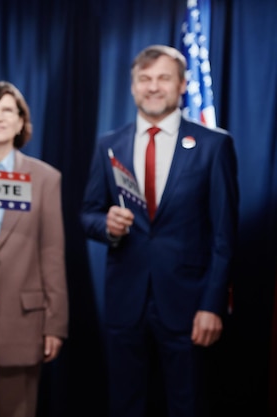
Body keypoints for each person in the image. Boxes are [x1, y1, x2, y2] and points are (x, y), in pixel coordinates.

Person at [81, 45, 238, 417]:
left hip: (189, 304)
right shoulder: (109, 144)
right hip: (125, 301)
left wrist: (211, 306)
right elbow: (88, 213)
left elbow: (224, 235)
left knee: (188, 404)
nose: (153, 87)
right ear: (133, 87)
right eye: (145, 79)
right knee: (124, 403)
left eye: (163, 78)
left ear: (182, 85)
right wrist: (107, 225)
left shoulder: (214, 145)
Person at [0, 81, 69, 417]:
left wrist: (55, 324)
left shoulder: (46, 178)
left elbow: (52, 253)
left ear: (22, 122)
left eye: (8, 109)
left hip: (26, 320)